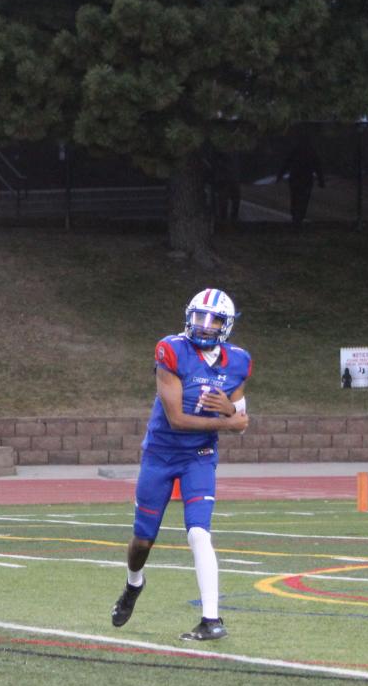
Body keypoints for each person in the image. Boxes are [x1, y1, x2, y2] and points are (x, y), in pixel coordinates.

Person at [110, 289, 250, 641]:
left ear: (226, 325)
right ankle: (133, 584)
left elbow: (242, 418)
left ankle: (211, 620)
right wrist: (227, 421)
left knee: (199, 532)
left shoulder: (238, 361)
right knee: (143, 539)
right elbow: (177, 419)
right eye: (199, 316)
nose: (204, 325)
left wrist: (230, 410)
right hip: (161, 453)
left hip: (199, 457)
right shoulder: (170, 350)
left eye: (213, 319)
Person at [278, 135, 325, 225]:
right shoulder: (311, 151)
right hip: (304, 178)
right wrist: (321, 180)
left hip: (298, 177)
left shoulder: (297, 150)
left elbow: (286, 163)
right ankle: (298, 216)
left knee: (296, 197)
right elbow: (318, 167)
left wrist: (280, 175)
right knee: (302, 198)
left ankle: (296, 216)